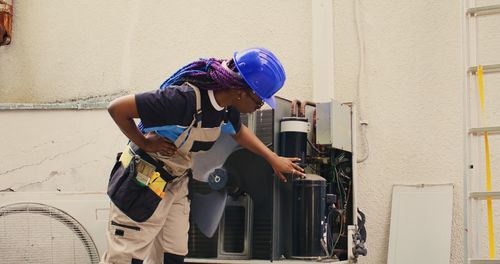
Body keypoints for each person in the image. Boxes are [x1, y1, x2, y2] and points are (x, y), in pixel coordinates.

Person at [101, 47, 306, 264]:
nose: (259, 107)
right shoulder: (182, 100)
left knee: (171, 256)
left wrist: (272, 158)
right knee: (126, 258)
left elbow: (238, 131)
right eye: (259, 101)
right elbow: (117, 108)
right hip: (143, 181)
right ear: (240, 90)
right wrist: (145, 142)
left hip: (176, 182)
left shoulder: (225, 108)